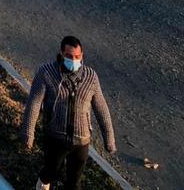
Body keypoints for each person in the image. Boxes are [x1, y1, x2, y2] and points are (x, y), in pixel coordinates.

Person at [21, 35, 117, 190]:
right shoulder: (46, 73)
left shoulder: (90, 77)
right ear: (61, 53)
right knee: (51, 171)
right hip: (55, 137)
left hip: (81, 141)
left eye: (77, 57)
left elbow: (101, 108)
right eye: (69, 56)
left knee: (74, 182)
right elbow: (34, 103)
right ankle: (43, 183)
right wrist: (28, 133)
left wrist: (109, 139)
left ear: (82, 55)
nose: (73, 60)